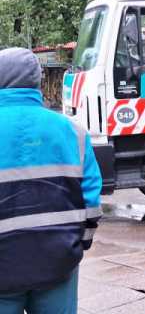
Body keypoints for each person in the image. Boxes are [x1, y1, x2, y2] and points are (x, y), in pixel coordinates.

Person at [0, 48, 102, 314]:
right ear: (38, 81)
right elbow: (91, 200)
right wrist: (78, 245)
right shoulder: (74, 132)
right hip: (58, 262)